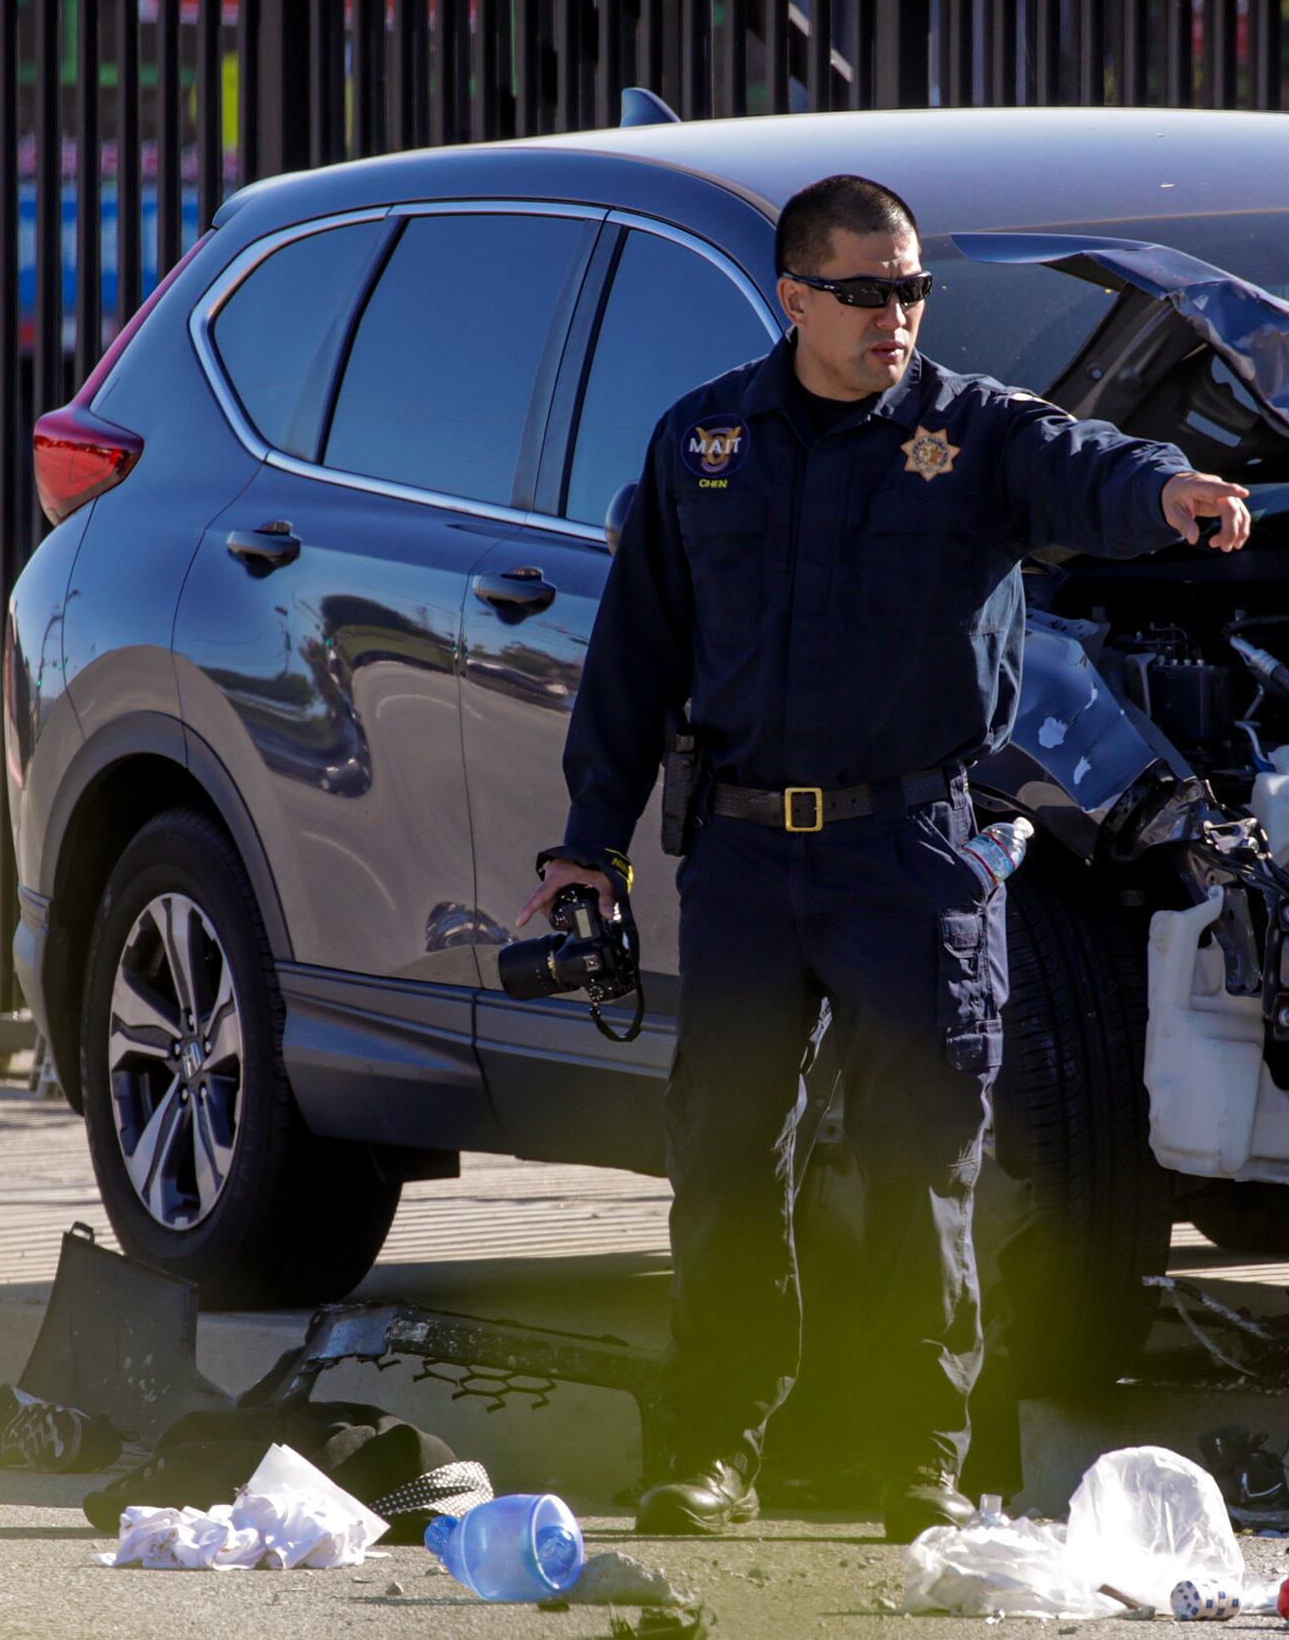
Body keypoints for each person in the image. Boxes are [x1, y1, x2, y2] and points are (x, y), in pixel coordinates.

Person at [528, 174, 1250, 1541]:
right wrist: (586, 850)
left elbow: (1089, 468)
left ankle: (915, 1460)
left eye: (911, 288)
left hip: (912, 856)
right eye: (864, 291)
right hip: (744, 857)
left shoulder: (973, 434)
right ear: (795, 297)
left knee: (926, 1166)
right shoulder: (704, 443)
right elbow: (631, 667)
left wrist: (1174, 493)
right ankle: (714, 1450)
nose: (894, 316)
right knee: (730, 1161)